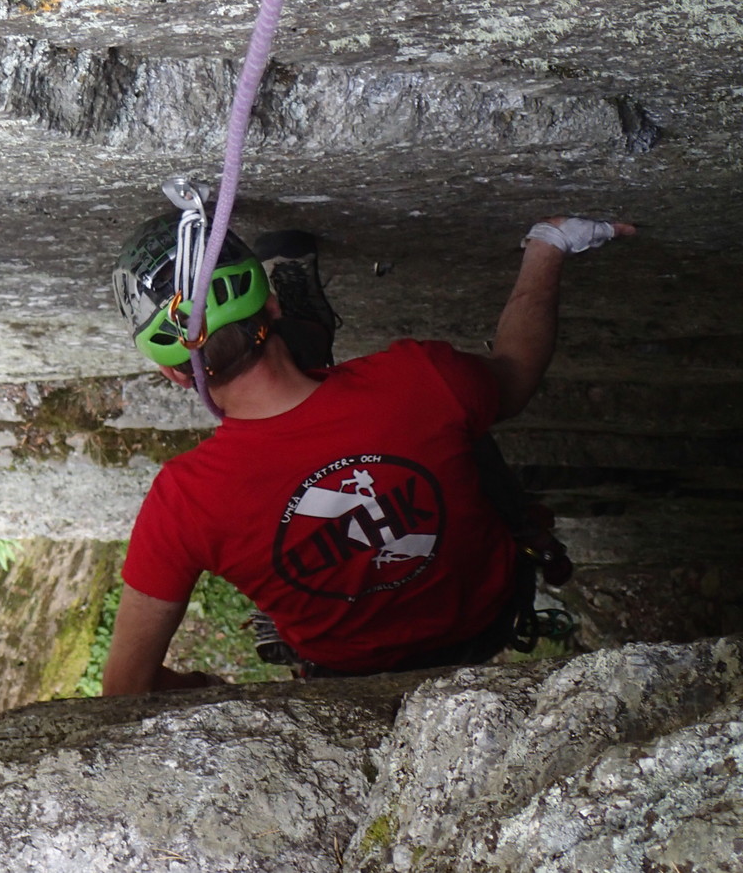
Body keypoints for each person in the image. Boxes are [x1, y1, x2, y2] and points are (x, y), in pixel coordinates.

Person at [101, 213, 634, 693]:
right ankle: (303, 320)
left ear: (175, 374)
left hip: (349, 673)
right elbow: (516, 375)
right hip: (486, 616)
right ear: (272, 305)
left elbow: (126, 687)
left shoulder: (184, 502)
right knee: (463, 407)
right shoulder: (416, 379)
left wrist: (207, 687)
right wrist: (548, 245)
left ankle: (303, 325)